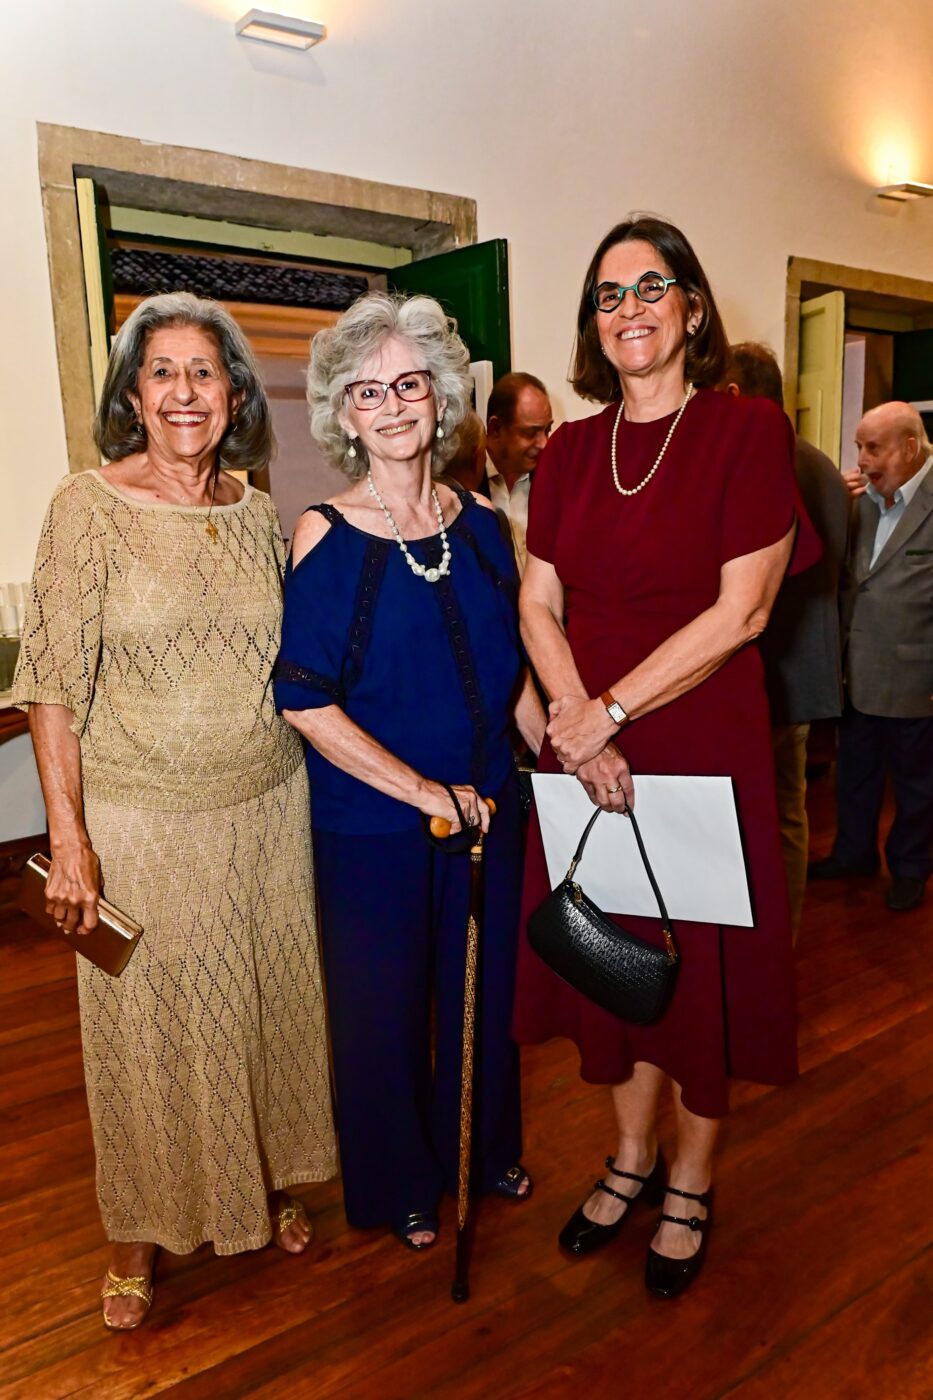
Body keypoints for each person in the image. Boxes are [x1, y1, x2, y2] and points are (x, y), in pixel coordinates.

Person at [11, 292, 336, 1330]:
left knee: (264, 1009)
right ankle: (138, 1230)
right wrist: (69, 838)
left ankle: (267, 1176)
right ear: (133, 396)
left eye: (205, 371)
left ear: (234, 394)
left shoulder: (254, 510)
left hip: (267, 807)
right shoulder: (86, 506)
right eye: (163, 371)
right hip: (142, 820)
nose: (185, 391)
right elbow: (50, 684)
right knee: (145, 1029)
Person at [512, 215, 818, 1299]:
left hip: (697, 738)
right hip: (584, 742)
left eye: (651, 287)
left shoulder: (745, 430)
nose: (630, 309)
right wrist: (572, 715)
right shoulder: (570, 451)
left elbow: (744, 613)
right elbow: (536, 601)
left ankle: (689, 1180)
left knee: (700, 979)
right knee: (610, 960)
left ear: (690, 308)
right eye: (609, 294)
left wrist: (606, 711)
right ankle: (630, 1155)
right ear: (592, 323)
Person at [274, 292, 545, 1250]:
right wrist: (428, 794)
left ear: (440, 397)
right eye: (367, 392)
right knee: (383, 1009)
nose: (390, 406)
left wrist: (559, 763)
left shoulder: (484, 527)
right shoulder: (326, 534)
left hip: (490, 809)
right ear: (343, 416)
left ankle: (482, 1150)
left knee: (485, 995)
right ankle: (400, 1183)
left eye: (407, 384)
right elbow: (304, 701)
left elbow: (511, 673)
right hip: (375, 824)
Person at [722, 342, 850, 936]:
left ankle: (757, 945)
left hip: (761, 671)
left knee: (745, 821)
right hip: (808, 674)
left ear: (735, 393)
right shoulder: (826, 468)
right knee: (789, 814)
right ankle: (786, 936)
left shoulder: (752, 463)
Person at [809, 402, 933, 912]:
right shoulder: (859, 500)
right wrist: (833, 507)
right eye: (859, 447)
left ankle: (909, 869)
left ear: (910, 447)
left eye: (873, 448)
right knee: (855, 774)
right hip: (856, 671)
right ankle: (853, 854)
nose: (861, 460)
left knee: (916, 785)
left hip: (917, 677)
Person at [484, 372, 553, 574]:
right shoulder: (465, 485)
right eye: (531, 433)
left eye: (547, 430)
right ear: (496, 429)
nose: (544, 443)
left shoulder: (552, 481)